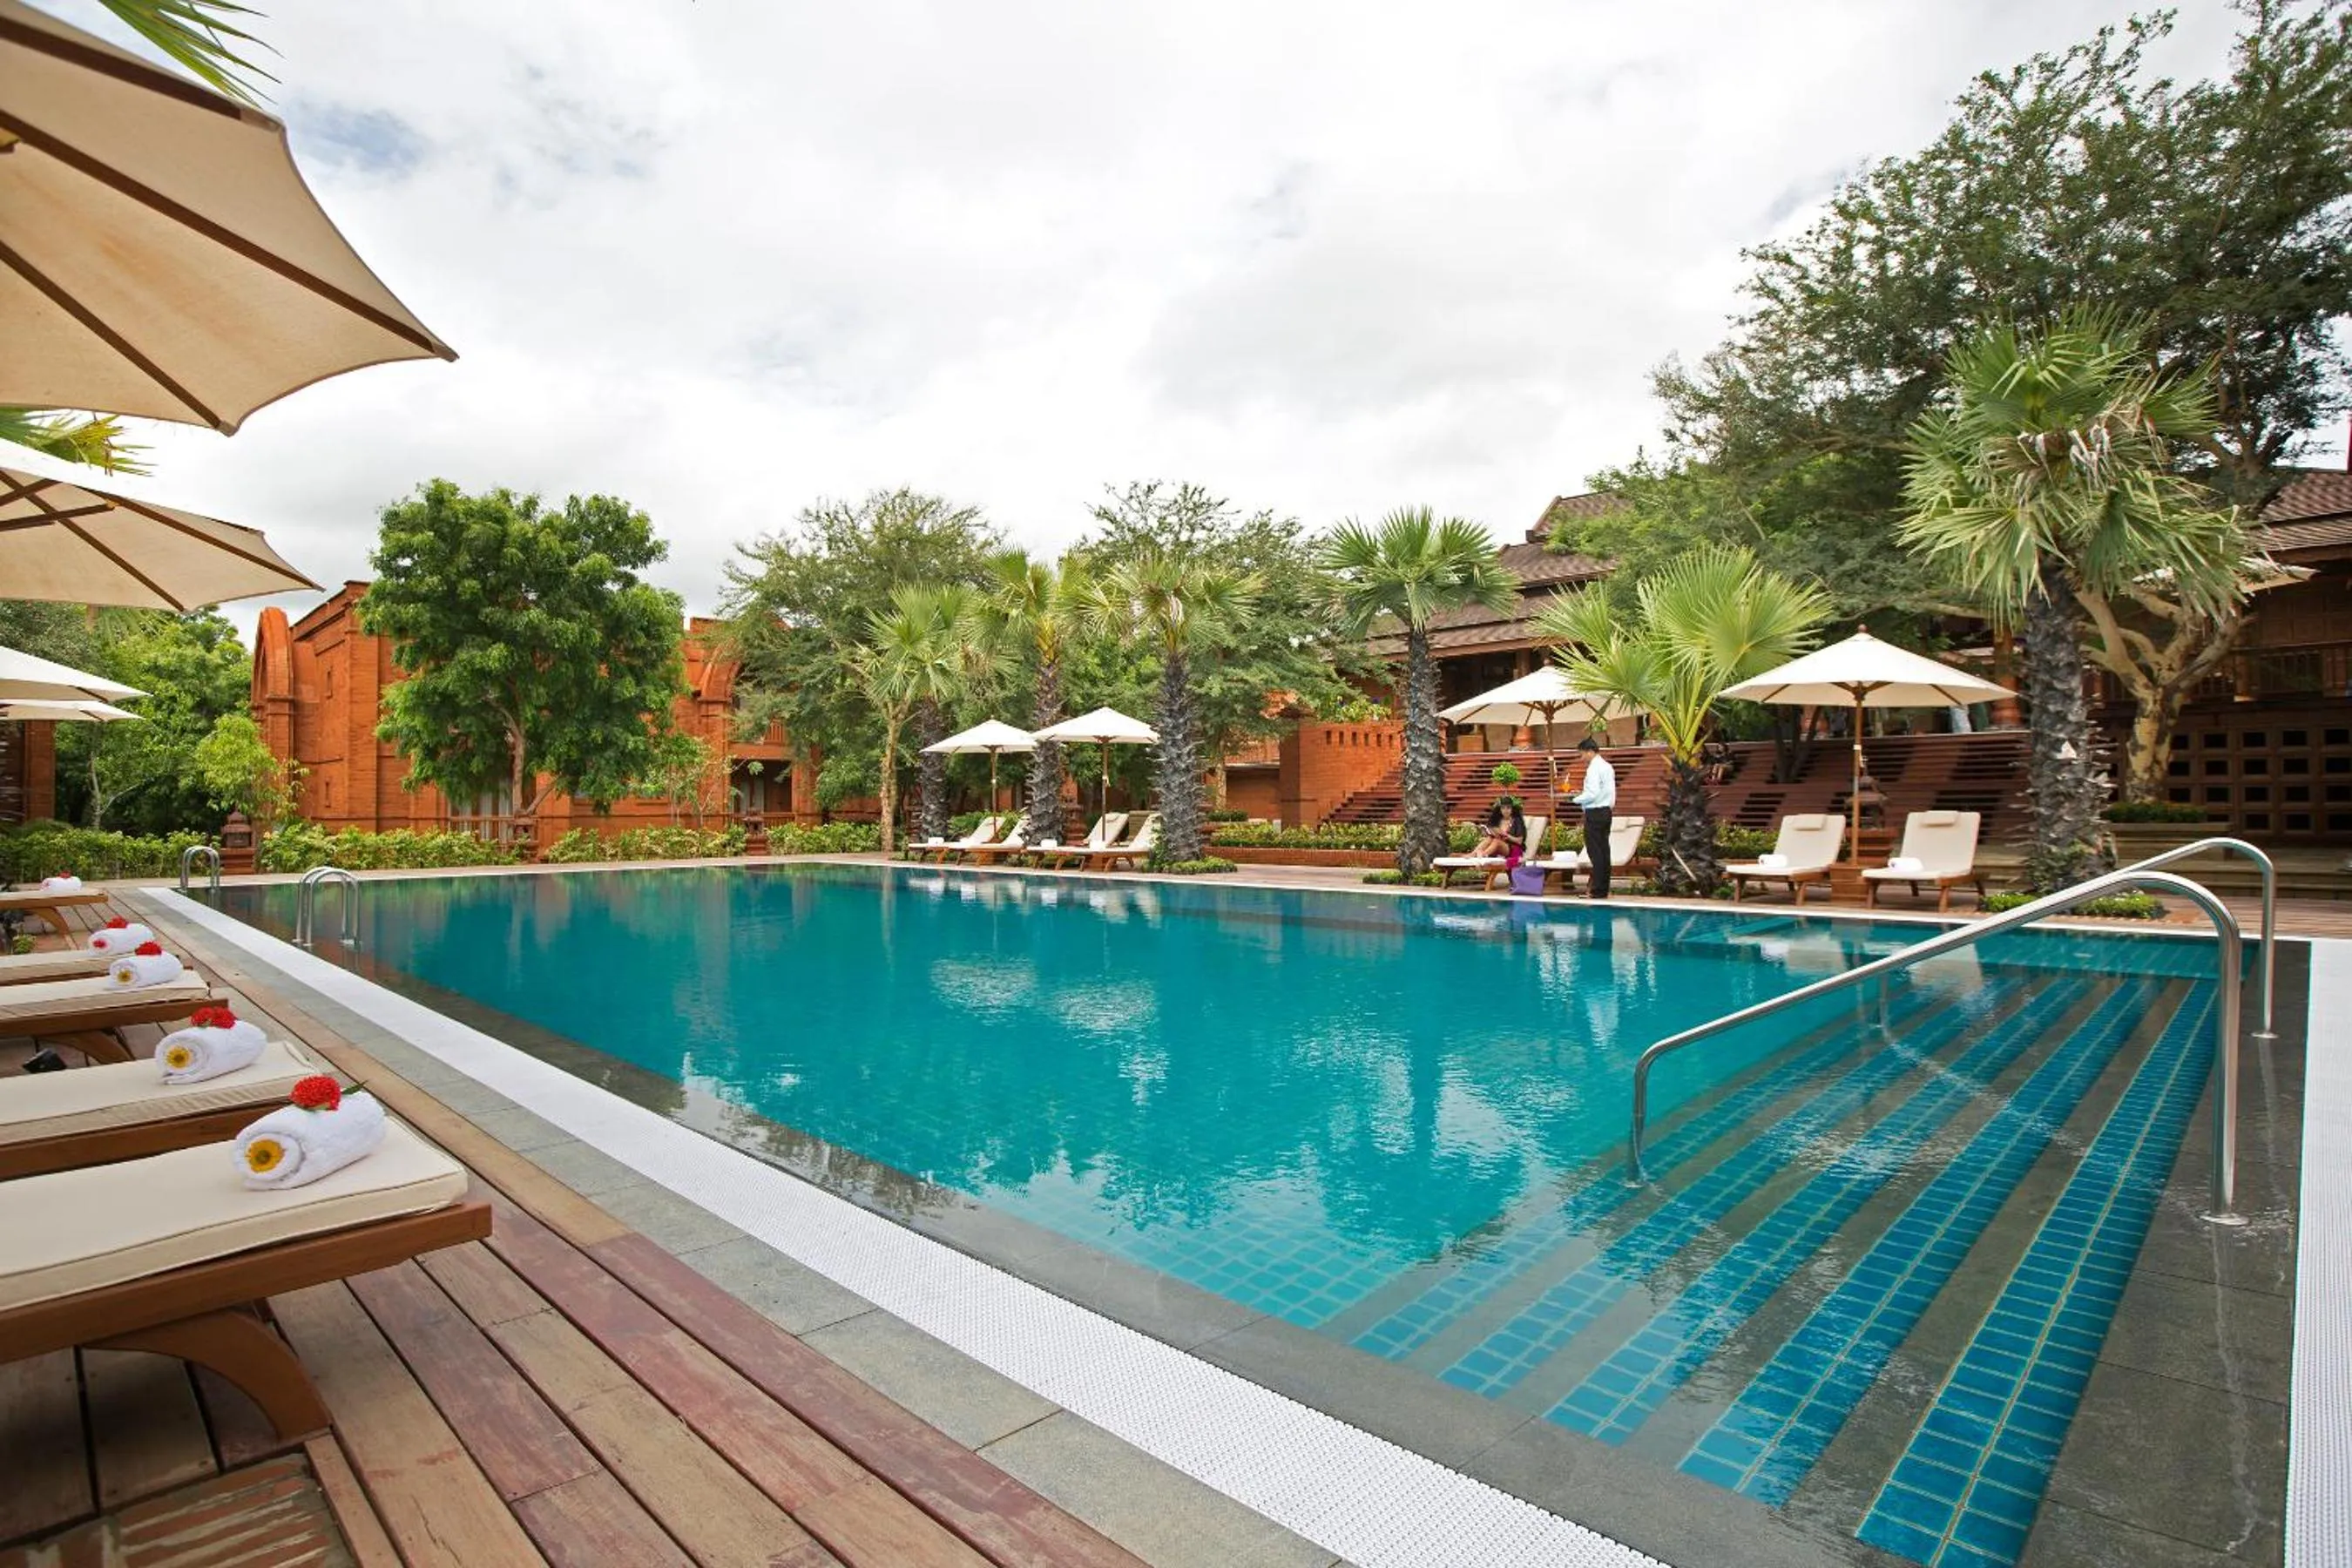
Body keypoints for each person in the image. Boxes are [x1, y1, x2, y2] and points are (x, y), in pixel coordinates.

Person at [1572, 735, 1616, 899]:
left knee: (1595, 851)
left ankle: (1597, 890)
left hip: (1595, 812)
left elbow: (1592, 793)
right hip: (1606, 812)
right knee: (1604, 851)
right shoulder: (1607, 766)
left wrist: (1575, 799)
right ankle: (1603, 889)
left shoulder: (1593, 768)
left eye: (1582, 754)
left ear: (1590, 751)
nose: (1581, 758)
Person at [1472, 797, 1528, 865]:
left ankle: (1483, 855)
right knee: (1489, 838)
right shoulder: (1498, 820)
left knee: (1497, 842)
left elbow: (1519, 841)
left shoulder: (1517, 821)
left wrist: (1507, 835)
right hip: (1499, 846)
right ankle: (1473, 854)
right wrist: (1490, 833)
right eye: (1503, 808)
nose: (1505, 810)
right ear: (1500, 809)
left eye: (1508, 808)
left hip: (1514, 848)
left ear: (1512, 809)